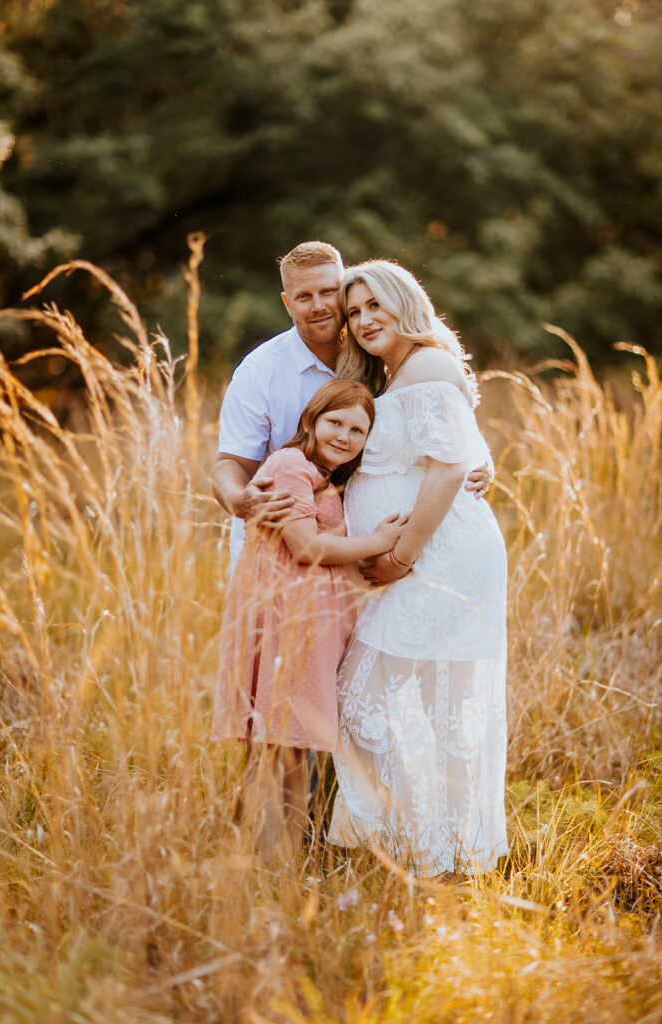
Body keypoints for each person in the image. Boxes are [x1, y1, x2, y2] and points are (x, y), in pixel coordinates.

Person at [327, 260, 508, 877]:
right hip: (429, 557)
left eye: (376, 305)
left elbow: (452, 468)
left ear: (405, 303)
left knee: (357, 701)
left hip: (436, 559)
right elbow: (466, 452)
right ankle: (450, 853)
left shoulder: (426, 364)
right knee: (441, 709)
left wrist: (401, 557)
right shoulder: (400, 372)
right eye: (355, 312)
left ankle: (428, 852)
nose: (364, 319)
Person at [211, 379, 408, 861]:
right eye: (334, 422)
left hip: (309, 621)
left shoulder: (323, 475)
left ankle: (272, 856)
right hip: (285, 619)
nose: (343, 436)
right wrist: (381, 543)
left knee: (288, 743)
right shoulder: (290, 465)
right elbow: (306, 547)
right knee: (284, 742)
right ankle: (277, 859)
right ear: (310, 421)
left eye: (356, 430)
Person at [211, 241, 491, 562]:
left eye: (328, 292)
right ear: (288, 304)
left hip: (359, 556)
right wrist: (239, 500)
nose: (318, 306)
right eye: (304, 297)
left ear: (343, 293)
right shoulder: (260, 371)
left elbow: (443, 430)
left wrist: (479, 464)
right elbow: (230, 462)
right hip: (281, 556)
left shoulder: (376, 353)